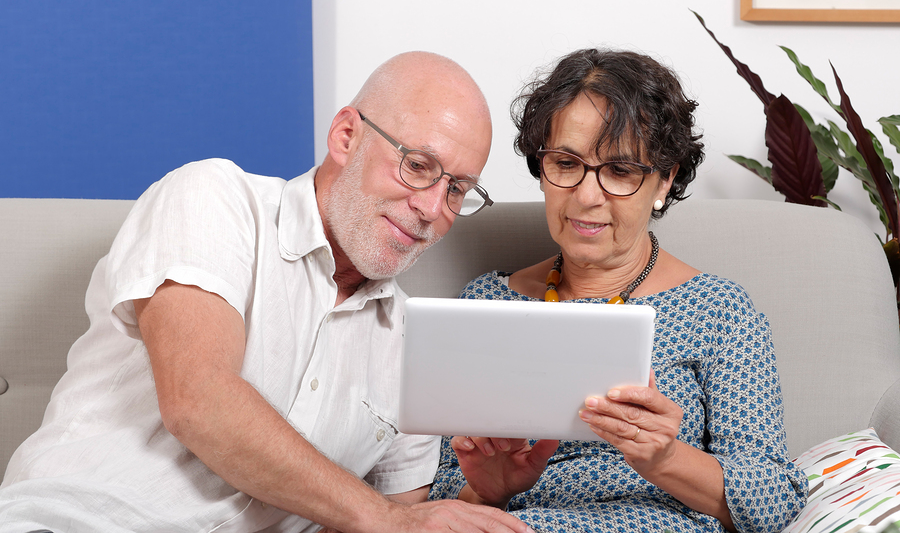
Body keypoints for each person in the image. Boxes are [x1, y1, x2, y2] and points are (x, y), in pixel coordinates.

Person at [0, 52, 536, 533]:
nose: (431, 209)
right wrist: (385, 517)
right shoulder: (216, 200)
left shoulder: (412, 346)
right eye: (418, 166)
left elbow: (394, 523)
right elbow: (198, 400)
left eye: (458, 190)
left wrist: (482, 494)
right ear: (346, 136)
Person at [428, 49, 809, 533]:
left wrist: (665, 458)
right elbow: (438, 495)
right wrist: (488, 490)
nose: (587, 197)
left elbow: (774, 500)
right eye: (566, 163)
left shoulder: (719, 311)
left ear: (664, 180)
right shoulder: (486, 304)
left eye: (621, 170)